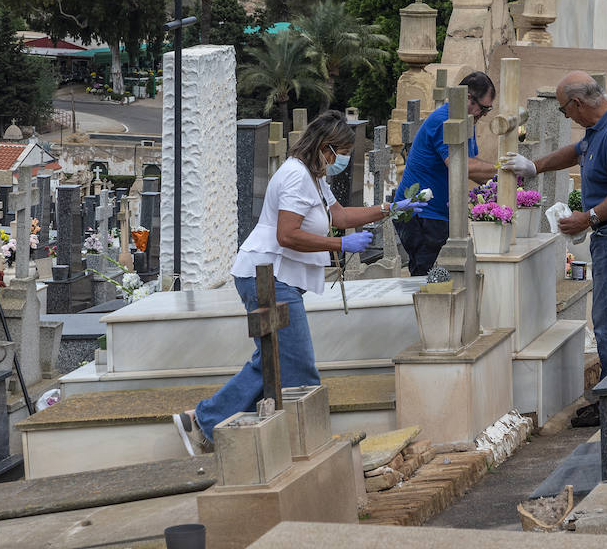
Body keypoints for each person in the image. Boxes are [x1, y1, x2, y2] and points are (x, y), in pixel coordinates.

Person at [174, 110, 427, 454]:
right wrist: (340, 244)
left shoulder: (313, 176)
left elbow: (338, 215)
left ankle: (203, 421)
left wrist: (389, 208)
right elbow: (287, 234)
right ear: (325, 148)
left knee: (272, 361)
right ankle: (304, 444)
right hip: (266, 274)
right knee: (299, 367)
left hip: (276, 275)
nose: (344, 158)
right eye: (342, 151)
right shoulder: (294, 176)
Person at [500, 71, 607, 427]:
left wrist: (588, 218)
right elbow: (578, 151)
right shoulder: (604, 126)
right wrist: (534, 166)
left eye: (564, 110)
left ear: (578, 103)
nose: (566, 116)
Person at [393, 72, 499, 276]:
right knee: (427, 277)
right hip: (419, 213)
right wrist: (503, 167)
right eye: (483, 108)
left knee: (438, 276)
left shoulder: (465, 121)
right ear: (468, 97)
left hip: (436, 214)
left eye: (488, 110)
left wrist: (500, 183)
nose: (483, 115)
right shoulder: (445, 120)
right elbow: (461, 165)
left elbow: (473, 169)